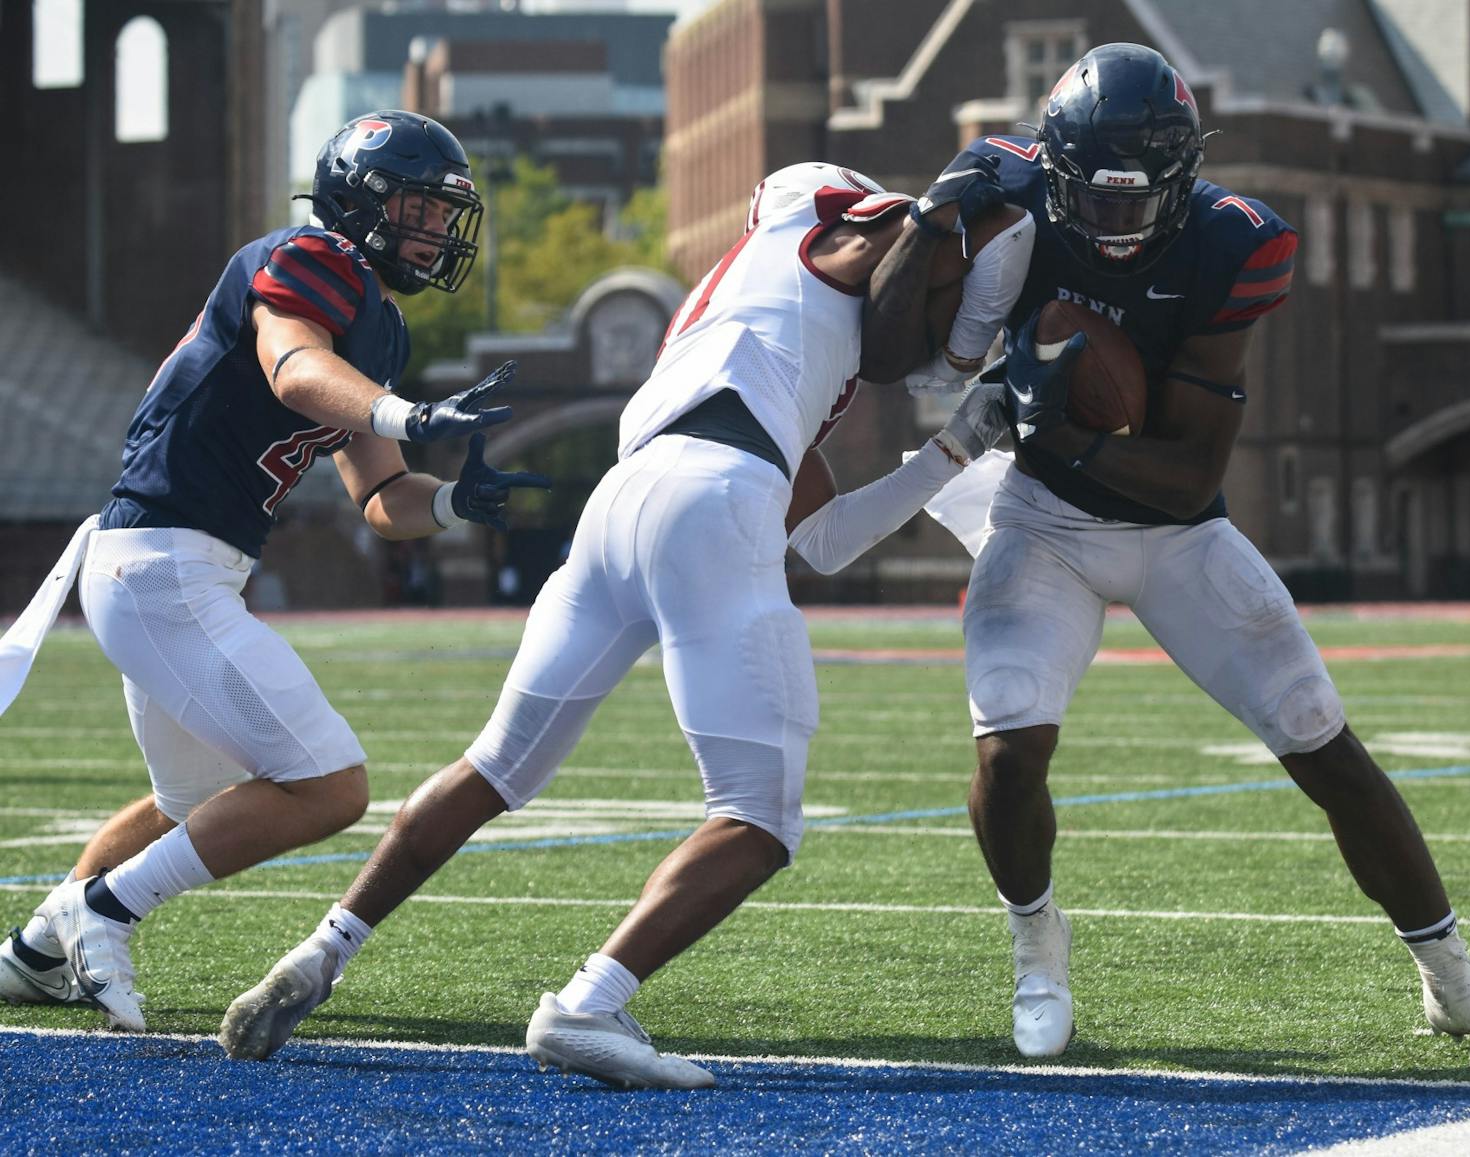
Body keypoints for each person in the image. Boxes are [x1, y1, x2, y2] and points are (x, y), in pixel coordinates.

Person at [215, 161, 1026, 1086]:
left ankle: (320, 952)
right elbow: (927, 267)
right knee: (758, 817)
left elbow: (828, 538)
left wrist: (952, 447)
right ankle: (589, 1003)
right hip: (718, 496)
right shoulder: (850, 241)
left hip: (623, 500)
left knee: (492, 766)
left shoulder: (739, 304)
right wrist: (964, 294)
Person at [872, 44, 1470, 1060]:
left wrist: (1055, 422)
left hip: (1173, 530)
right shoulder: (1008, 196)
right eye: (1095, 203)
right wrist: (927, 219)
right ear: (1055, 174)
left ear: (1182, 180)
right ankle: (1036, 946)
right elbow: (894, 349)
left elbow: (1188, 470)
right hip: (1042, 524)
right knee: (1007, 747)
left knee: (1319, 737)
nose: (1115, 228)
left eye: (1137, 203)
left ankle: (1454, 981)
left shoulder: (1230, 242)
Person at [0, 111, 548, 1030]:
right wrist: (409, 416)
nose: (433, 232)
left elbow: (379, 496)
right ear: (359, 199)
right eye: (417, 207)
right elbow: (294, 368)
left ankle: (34, 954)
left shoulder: (379, 325)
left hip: (176, 570)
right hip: (160, 561)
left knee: (193, 805)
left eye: (440, 214)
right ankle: (103, 909)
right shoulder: (309, 256)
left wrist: (451, 501)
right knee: (331, 784)